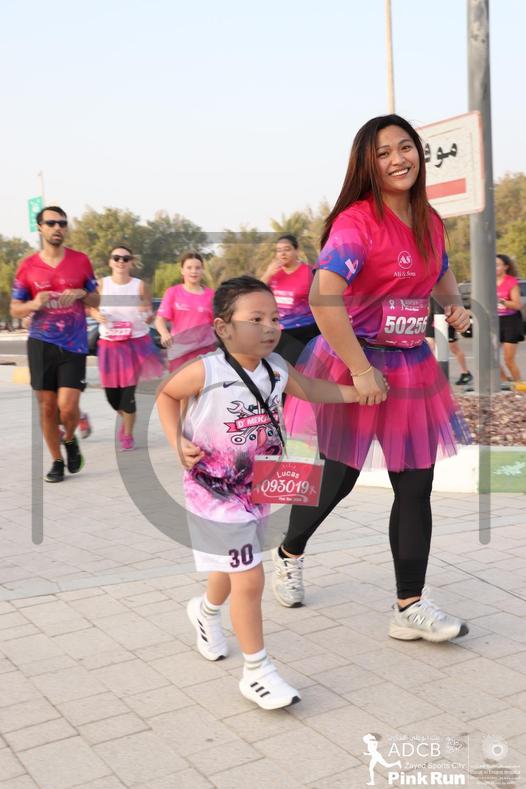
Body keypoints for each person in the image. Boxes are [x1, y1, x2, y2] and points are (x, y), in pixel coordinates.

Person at [273, 114, 472, 644]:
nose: (398, 159)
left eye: (405, 147)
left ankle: (410, 605)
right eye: (383, 153)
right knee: (338, 480)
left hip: (410, 366)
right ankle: (289, 552)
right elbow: (323, 299)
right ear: (368, 164)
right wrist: (361, 370)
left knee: (417, 484)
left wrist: (453, 305)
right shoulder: (357, 223)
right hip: (353, 363)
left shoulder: (430, 219)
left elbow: (440, 270)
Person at [156, 276, 383, 709]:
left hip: (257, 485)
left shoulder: (276, 367)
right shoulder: (207, 370)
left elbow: (310, 389)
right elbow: (167, 394)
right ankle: (257, 672)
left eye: (275, 318)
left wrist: (359, 393)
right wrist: (176, 442)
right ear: (223, 328)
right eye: (256, 319)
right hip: (214, 488)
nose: (270, 327)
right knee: (250, 577)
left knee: (233, 568)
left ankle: (204, 611)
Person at [10, 206, 99, 482]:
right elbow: (15, 308)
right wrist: (33, 304)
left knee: (67, 407)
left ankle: (69, 438)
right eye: (51, 223)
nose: (57, 227)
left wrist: (82, 293)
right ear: (40, 228)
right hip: (40, 343)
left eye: (62, 223)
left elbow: (97, 299)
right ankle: (57, 461)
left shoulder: (81, 261)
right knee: (47, 407)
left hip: (73, 344)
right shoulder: (27, 266)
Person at [90, 246, 164, 450]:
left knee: (127, 394)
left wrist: (148, 316)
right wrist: (96, 315)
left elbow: (149, 311)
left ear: (131, 262)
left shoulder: (140, 286)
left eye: (125, 258)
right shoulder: (101, 285)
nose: (121, 261)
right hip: (109, 345)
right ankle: (126, 418)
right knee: (112, 397)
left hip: (135, 344)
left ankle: (128, 433)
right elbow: (91, 307)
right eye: (116, 258)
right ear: (110, 262)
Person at [260, 234, 319, 365]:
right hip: (278, 330)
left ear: (296, 251)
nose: (282, 253)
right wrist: (267, 274)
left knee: (289, 367)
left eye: (287, 249)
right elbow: (255, 294)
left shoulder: (309, 272)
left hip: (304, 330)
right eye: (279, 250)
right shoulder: (274, 273)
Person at [155, 252, 215, 372]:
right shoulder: (173, 292)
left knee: (203, 383)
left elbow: (219, 322)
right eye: (189, 268)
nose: (194, 271)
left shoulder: (211, 295)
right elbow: (159, 320)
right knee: (179, 383)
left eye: (198, 268)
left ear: (202, 270)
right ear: (182, 270)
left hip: (204, 350)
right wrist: (164, 333)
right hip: (179, 350)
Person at [425, 299, 473, 385]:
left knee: (454, 348)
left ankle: (466, 372)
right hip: (433, 315)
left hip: (447, 316)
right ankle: (431, 374)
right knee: (429, 344)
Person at [496, 253, 523, 382]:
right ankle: (506, 384)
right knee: (490, 358)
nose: (494, 267)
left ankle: (520, 388)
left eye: (497, 265)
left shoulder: (511, 281)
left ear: (506, 267)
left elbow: (517, 305)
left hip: (510, 321)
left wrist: (501, 301)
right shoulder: (488, 282)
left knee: (508, 359)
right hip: (495, 321)